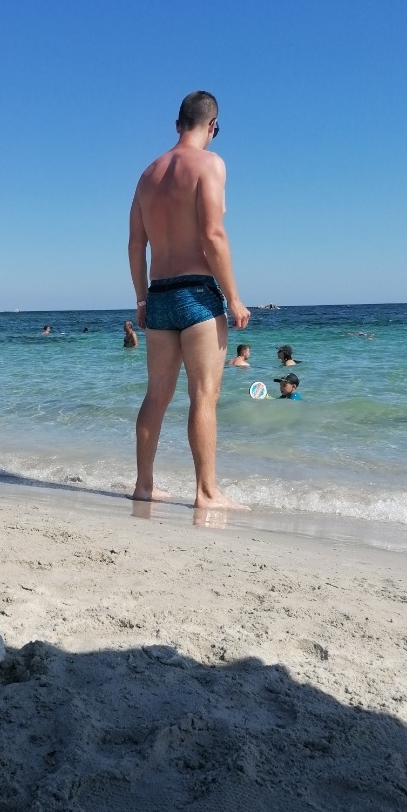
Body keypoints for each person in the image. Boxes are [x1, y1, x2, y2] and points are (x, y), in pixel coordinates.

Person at [128, 90, 250, 509]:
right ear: (213, 126)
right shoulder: (210, 164)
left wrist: (141, 301)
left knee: (156, 396)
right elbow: (213, 235)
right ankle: (207, 492)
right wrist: (233, 297)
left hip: (158, 295)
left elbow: (135, 245)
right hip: (197, 292)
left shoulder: (147, 175)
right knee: (203, 396)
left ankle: (145, 485)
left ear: (177, 124)